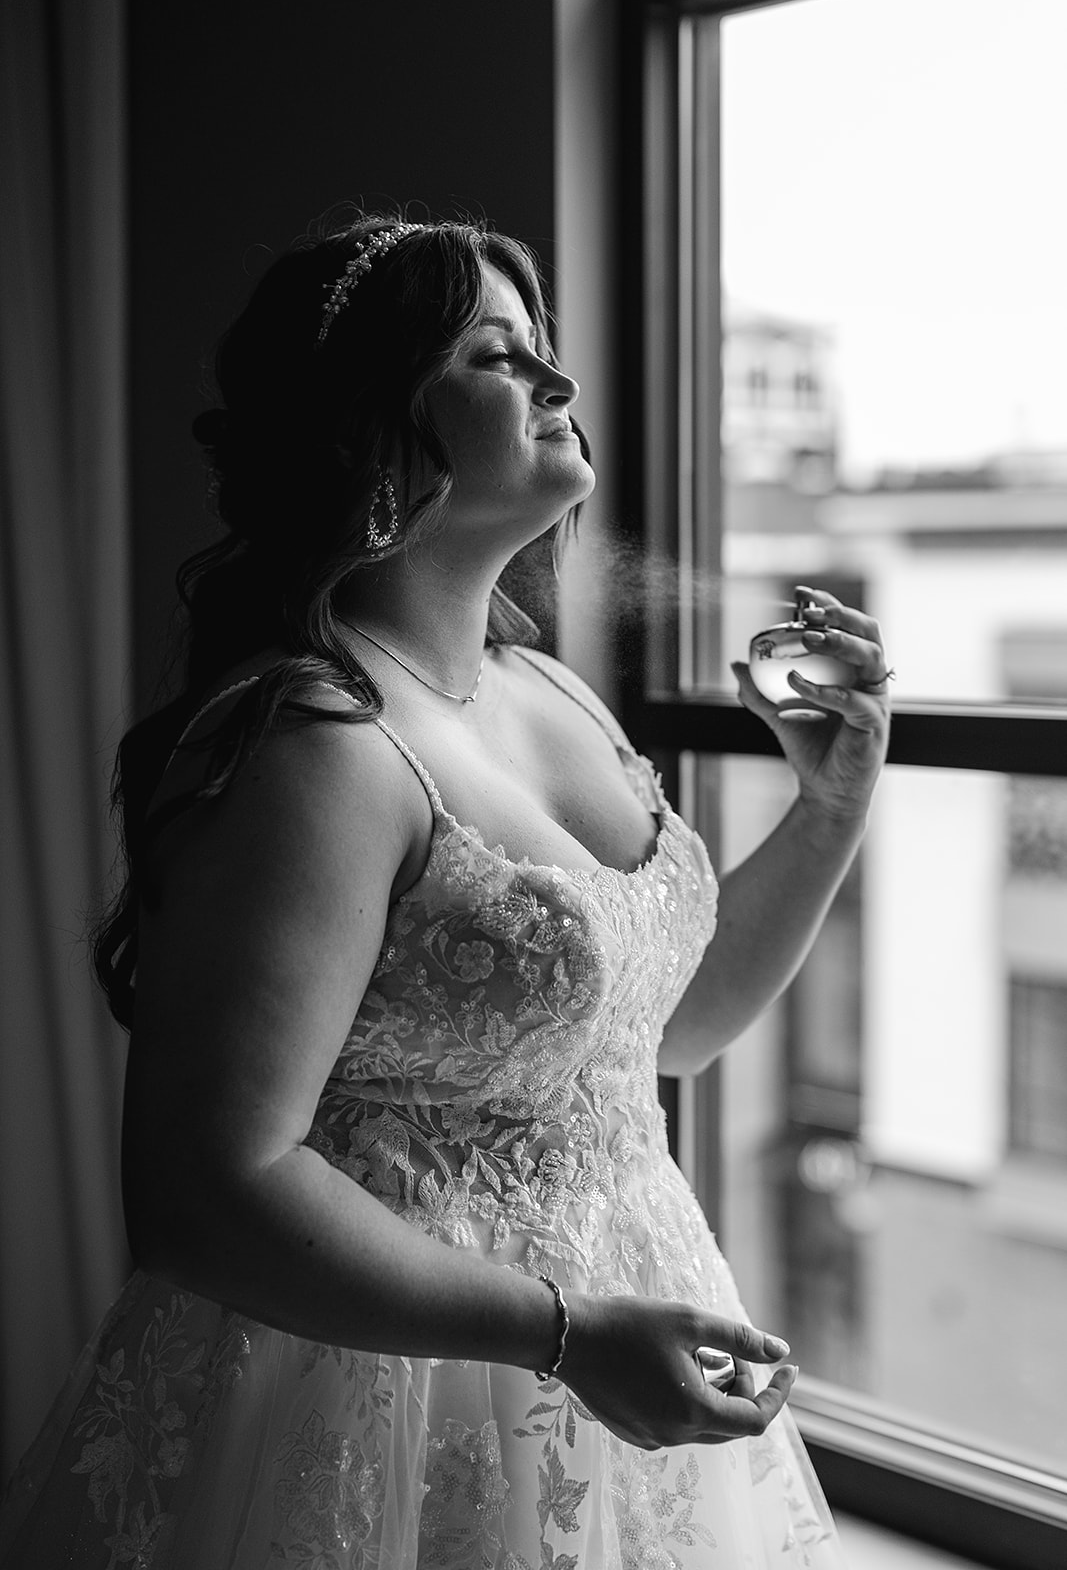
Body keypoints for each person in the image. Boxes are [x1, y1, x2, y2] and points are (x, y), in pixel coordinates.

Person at [0, 213, 890, 1569]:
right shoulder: (315, 749)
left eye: (545, 351)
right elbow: (202, 1187)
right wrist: (561, 1331)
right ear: (371, 430)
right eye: (498, 355)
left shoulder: (555, 696)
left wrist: (831, 801)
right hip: (376, 1398)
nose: (558, 385)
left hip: (621, 1370)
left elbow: (668, 1038)